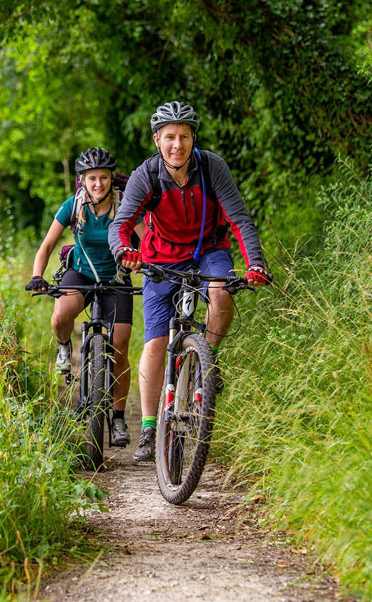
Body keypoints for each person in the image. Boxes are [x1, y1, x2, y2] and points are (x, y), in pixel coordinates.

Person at [108, 102, 272, 462]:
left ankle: (206, 360)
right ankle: (150, 428)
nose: (177, 145)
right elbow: (120, 224)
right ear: (157, 140)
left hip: (208, 249)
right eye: (169, 137)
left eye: (184, 136)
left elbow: (239, 219)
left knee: (222, 293)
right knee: (155, 342)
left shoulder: (212, 167)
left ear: (193, 138)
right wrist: (123, 250)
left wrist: (255, 263)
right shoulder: (145, 175)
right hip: (161, 257)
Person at [26, 147, 139, 447]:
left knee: (120, 347)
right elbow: (47, 245)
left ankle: (117, 419)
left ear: (111, 178)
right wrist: (38, 276)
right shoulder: (74, 205)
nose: (98, 184)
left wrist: (146, 262)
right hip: (81, 272)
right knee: (61, 316)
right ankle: (65, 347)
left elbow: (148, 240)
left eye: (103, 177)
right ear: (83, 180)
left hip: (117, 278)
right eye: (92, 178)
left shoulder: (125, 204)